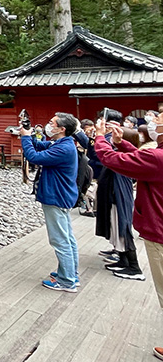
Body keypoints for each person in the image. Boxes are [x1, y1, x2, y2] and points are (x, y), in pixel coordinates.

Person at [94, 112, 163, 361]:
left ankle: (131, 265)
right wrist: (123, 142)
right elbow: (137, 157)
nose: (152, 123)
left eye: (158, 119)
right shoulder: (155, 154)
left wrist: (100, 138)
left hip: (159, 230)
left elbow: (112, 159)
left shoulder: (157, 156)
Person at [20, 112, 80, 292]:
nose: (48, 124)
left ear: (62, 129)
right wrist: (29, 135)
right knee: (67, 237)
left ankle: (67, 280)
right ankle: (70, 273)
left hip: (56, 196)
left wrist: (24, 139)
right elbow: (39, 146)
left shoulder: (63, 148)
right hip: (61, 195)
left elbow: (35, 157)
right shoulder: (63, 143)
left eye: (52, 123)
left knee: (60, 240)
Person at [93, 109, 144, 280]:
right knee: (116, 225)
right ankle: (123, 260)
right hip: (114, 186)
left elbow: (105, 155)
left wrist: (101, 136)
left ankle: (134, 266)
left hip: (119, 187)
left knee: (122, 224)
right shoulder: (117, 140)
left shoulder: (120, 141)